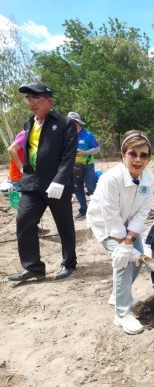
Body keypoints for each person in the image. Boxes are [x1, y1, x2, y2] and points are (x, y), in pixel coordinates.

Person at [86, 130, 154, 335]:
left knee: (137, 259)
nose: (138, 159)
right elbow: (110, 214)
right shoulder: (111, 178)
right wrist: (124, 245)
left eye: (143, 155)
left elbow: (143, 212)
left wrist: (131, 239)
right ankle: (122, 314)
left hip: (129, 226)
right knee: (123, 260)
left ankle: (117, 294)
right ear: (123, 154)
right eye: (133, 153)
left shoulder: (149, 180)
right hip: (105, 225)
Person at [8, 82, 77, 282]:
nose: (31, 103)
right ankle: (34, 267)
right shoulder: (29, 123)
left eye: (36, 98)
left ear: (49, 100)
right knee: (24, 220)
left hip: (57, 186)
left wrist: (60, 181)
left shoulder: (65, 123)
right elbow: (25, 150)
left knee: (64, 225)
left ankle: (68, 263)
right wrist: (23, 171)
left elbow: (68, 155)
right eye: (28, 99)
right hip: (32, 185)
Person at [7, 129, 49, 236]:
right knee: (30, 205)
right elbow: (11, 150)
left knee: (34, 204)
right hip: (20, 177)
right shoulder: (26, 133)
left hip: (27, 176)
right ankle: (30, 230)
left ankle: (34, 228)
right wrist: (22, 169)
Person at [67, 111, 100, 221]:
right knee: (78, 189)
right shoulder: (67, 135)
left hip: (87, 166)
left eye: (72, 122)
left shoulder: (88, 135)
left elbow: (97, 149)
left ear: (78, 122)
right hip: (73, 166)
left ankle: (97, 211)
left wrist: (84, 152)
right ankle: (83, 211)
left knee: (91, 188)